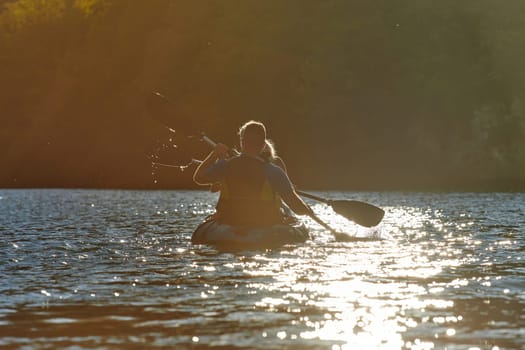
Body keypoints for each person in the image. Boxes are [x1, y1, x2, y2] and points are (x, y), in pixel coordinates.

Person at [193, 121, 315, 226]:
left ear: (242, 142)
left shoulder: (225, 165)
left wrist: (214, 154)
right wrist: (308, 211)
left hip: (229, 220)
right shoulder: (274, 172)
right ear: (263, 146)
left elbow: (198, 178)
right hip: (264, 223)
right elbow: (297, 208)